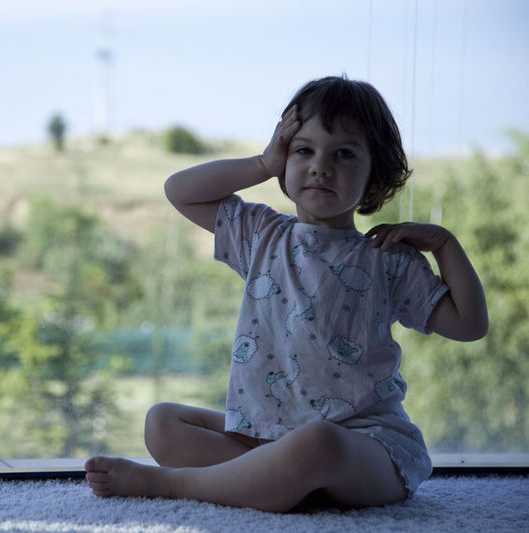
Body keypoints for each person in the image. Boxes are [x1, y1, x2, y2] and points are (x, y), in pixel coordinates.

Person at [84, 75, 489, 512]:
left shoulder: (387, 258)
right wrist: (263, 163)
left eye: (344, 154)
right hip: (266, 436)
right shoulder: (261, 235)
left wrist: (445, 244)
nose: (320, 166)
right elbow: (179, 191)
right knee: (162, 423)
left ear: (374, 177)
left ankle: (173, 485)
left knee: (317, 443)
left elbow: (469, 325)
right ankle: (277, 482)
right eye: (303, 150)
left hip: (365, 447)